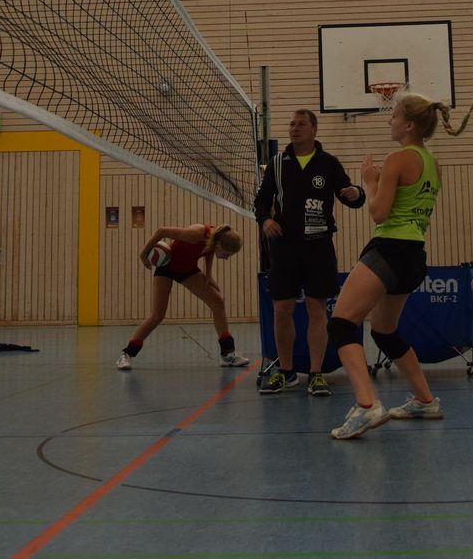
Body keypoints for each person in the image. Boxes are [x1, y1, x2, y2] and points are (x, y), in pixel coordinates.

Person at [325, 89, 473, 439]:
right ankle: (425, 400)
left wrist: (370, 182)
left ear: (410, 124)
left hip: (390, 248)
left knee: (340, 324)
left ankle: (367, 405)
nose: (390, 120)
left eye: (395, 115)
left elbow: (378, 213)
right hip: (414, 254)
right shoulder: (432, 163)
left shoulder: (398, 159)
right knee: (384, 331)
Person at [254, 108, 365, 395]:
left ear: (314, 129)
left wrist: (357, 193)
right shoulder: (277, 163)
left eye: (301, 124)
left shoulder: (329, 163)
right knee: (282, 310)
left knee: (317, 309)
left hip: (318, 246)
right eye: (292, 124)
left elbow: (350, 195)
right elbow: (261, 201)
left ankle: (316, 374)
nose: (295, 128)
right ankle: (286, 371)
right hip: (285, 247)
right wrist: (265, 220)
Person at [116, 222, 250, 370]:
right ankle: (126, 354)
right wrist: (143, 254)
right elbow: (162, 231)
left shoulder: (214, 239)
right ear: (219, 245)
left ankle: (228, 354)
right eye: (226, 254)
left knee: (218, 301)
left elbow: (209, 251)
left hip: (188, 270)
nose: (227, 258)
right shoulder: (195, 234)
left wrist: (209, 275)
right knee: (157, 316)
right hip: (167, 267)